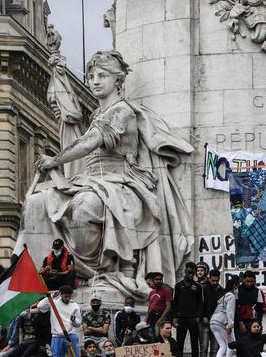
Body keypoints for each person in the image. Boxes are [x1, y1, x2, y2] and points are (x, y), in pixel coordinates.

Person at [14, 50, 194, 295]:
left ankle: (104, 268)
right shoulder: (97, 114)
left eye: (102, 75)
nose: (95, 81)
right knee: (35, 203)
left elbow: (90, 142)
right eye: (91, 76)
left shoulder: (121, 111)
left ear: (117, 80)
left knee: (84, 207)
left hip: (120, 183)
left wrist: (55, 159)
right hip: (91, 182)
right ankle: (35, 280)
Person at [36, 286, 82, 357]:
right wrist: (50, 296)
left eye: (69, 296)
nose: (68, 299)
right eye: (65, 296)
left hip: (71, 335)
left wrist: (74, 320)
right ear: (60, 295)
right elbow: (40, 306)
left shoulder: (75, 305)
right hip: (57, 337)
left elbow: (78, 324)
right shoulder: (53, 303)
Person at [172, 262, 203, 357]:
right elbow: (175, 302)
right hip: (181, 317)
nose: (191, 275)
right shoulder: (178, 285)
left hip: (193, 318)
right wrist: (175, 317)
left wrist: (198, 316)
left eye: (193, 273)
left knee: (194, 342)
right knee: (180, 341)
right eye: (189, 272)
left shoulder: (198, 286)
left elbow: (200, 303)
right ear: (185, 271)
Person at [210, 278, 237, 357]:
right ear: (234, 286)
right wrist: (230, 325)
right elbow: (230, 311)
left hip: (213, 322)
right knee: (230, 345)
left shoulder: (223, 296)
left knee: (223, 346)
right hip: (221, 322)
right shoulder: (231, 296)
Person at [236, 271, 266, 337]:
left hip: (253, 321)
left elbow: (260, 309)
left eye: (251, 281)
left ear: (254, 281)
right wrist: (240, 322)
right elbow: (235, 309)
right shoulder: (237, 290)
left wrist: (258, 323)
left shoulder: (257, 291)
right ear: (243, 280)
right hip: (240, 321)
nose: (249, 284)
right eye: (247, 281)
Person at [202, 270, 224, 357]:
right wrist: (203, 316)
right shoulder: (203, 289)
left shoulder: (222, 290)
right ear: (209, 278)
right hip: (205, 321)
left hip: (217, 322)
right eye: (213, 280)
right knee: (204, 347)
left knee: (215, 348)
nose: (215, 282)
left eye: (217, 281)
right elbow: (200, 304)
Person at [145, 272, 173, 338]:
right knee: (152, 337)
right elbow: (150, 306)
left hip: (161, 317)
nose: (159, 281)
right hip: (152, 318)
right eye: (156, 279)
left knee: (162, 338)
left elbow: (168, 306)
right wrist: (146, 317)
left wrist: (161, 319)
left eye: (160, 279)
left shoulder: (167, 290)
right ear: (153, 281)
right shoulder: (152, 292)